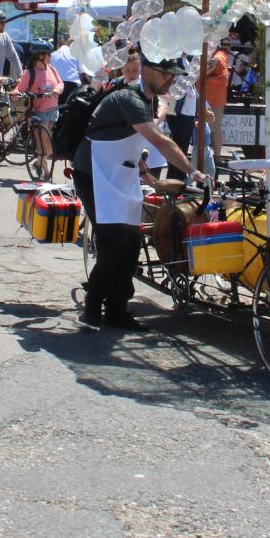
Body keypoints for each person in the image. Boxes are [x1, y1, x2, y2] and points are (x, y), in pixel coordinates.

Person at [74, 52, 208, 331]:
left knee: (132, 242)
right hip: (94, 173)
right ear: (147, 71)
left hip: (119, 172)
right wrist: (193, 171)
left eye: (173, 75)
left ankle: (116, 309)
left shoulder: (149, 100)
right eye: (165, 74)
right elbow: (161, 141)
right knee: (113, 241)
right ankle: (93, 303)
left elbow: (131, 138)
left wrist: (143, 169)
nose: (170, 80)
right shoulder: (129, 99)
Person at [16, 49, 63, 177]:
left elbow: (60, 83)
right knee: (43, 140)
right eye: (48, 54)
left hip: (53, 109)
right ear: (40, 56)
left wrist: (57, 89)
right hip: (39, 111)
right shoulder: (30, 72)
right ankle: (46, 172)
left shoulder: (52, 69)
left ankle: (39, 162)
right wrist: (16, 93)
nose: (50, 56)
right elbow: (20, 88)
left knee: (46, 142)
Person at [203, 39, 231, 162]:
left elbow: (223, 78)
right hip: (212, 99)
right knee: (212, 129)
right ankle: (214, 156)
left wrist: (205, 78)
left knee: (213, 129)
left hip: (213, 100)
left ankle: (216, 157)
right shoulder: (218, 57)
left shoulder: (217, 58)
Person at [51, 35, 82, 107]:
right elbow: (81, 72)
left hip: (57, 85)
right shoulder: (76, 54)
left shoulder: (52, 55)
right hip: (73, 85)